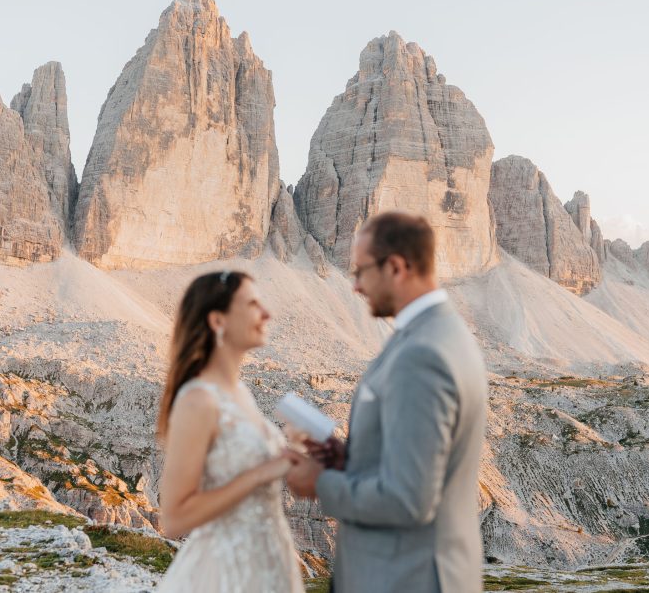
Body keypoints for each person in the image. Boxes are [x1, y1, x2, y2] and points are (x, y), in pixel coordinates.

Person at [286, 212, 488, 593]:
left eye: (361, 271)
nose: (356, 286)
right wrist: (349, 460)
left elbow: (409, 500)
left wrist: (321, 482)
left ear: (395, 267)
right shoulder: (439, 332)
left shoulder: (421, 353)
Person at [155, 270, 304, 593]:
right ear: (218, 321)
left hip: (268, 565)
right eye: (252, 304)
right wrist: (260, 474)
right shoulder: (198, 399)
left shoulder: (240, 392)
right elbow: (174, 518)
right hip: (225, 573)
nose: (267, 313)